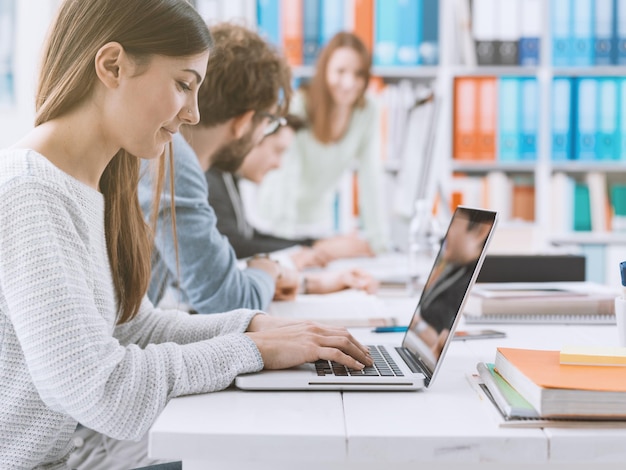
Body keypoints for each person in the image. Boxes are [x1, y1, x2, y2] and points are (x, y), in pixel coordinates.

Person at [0, 2, 372, 469]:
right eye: (183, 85)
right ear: (112, 65)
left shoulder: (95, 184)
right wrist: (250, 350)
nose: (194, 114)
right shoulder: (29, 192)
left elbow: (136, 327)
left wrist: (255, 327)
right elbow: (100, 388)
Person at [139, 23, 377, 311]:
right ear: (244, 121)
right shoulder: (176, 166)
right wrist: (267, 267)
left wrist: (303, 282)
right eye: (269, 124)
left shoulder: (172, 156)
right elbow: (228, 300)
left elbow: (193, 286)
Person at [207, 114, 378, 294]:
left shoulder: (227, 179)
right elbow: (233, 245)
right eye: (278, 151)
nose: (278, 164)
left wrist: (313, 245)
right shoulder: (211, 179)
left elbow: (248, 236)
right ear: (254, 137)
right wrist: (305, 252)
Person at [254, 31, 391, 255]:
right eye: (340, 71)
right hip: (277, 221)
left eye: (358, 74)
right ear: (325, 69)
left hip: (319, 222)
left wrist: (380, 245)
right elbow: (287, 175)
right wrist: (285, 248)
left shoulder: (368, 111)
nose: (349, 83)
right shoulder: (300, 105)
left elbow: (371, 176)